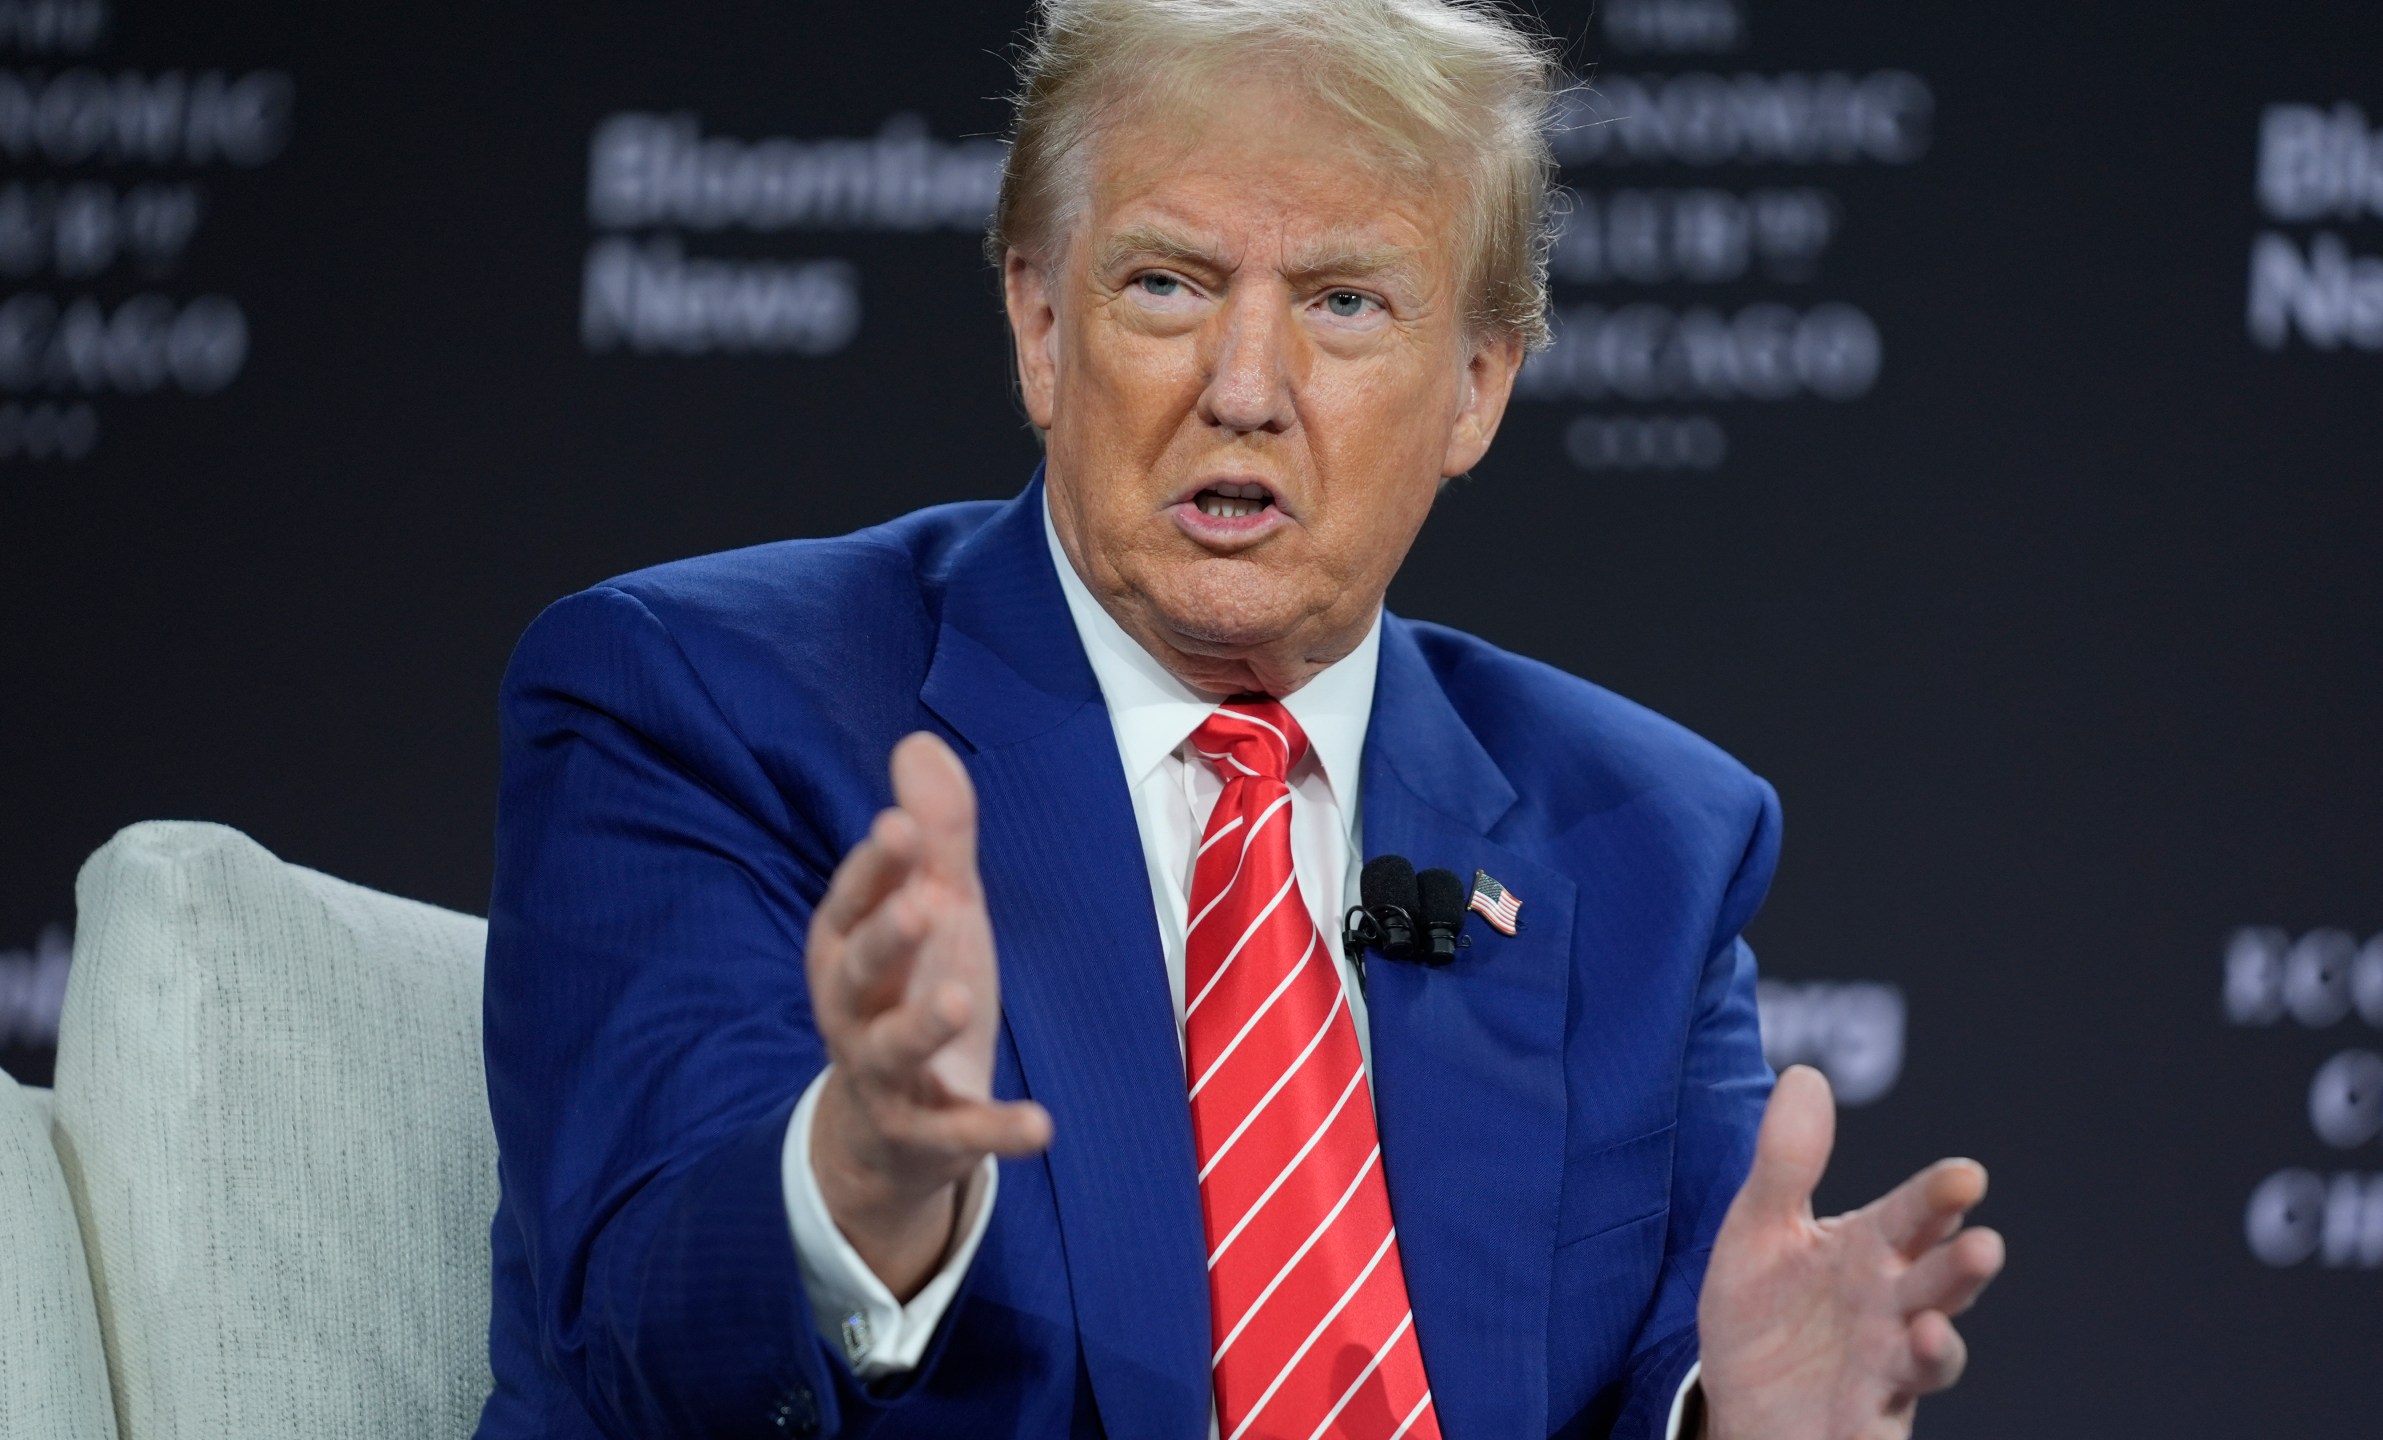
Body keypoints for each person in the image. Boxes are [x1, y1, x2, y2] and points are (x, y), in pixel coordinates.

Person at [476, 2, 2004, 1436]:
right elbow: (630, 1332)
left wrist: (1736, 1421)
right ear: (1040, 324)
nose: (1246, 387)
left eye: (1344, 303)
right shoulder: (704, 704)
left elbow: (1693, 1354)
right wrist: (860, 1181)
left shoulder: (1645, 845)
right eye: (1168, 284)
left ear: (1477, 386)